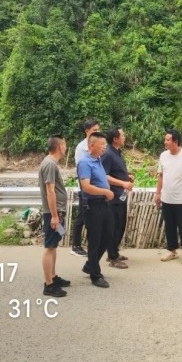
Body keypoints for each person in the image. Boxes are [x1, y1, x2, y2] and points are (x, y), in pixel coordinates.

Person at [77, 131, 114, 288]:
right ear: (92, 145)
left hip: (104, 204)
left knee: (108, 234)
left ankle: (90, 264)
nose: (104, 147)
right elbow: (86, 187)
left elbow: (102, 179)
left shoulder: (98, 160)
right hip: (93, 205)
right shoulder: (84, 162)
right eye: (102, 145)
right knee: (95, 240)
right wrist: (105, 192)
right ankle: (95, 275)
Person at [155, 129, 182, 265]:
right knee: (169, 226)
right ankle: (172, 251)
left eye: (168, 140)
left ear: (176, 141)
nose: (165, 142)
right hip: (166, 198)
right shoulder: (163, 156)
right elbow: (161, 175)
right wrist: (158, 193)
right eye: (165, 139)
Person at [39, 134, 72, 297]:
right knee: (50, 247)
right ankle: (48, 285)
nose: (66, 147)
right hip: (53, 212)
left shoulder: (50, 163)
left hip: (56, 211)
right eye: (64, 144)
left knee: (54, 245)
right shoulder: (50, 164)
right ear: (59, 146)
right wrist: (54, 216)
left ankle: (53, 276)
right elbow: (50, 191)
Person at [102, 127, 134, 269]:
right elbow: (104, 176)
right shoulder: (108, 154)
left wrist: (127, 177)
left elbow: (116, 172)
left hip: (121, 196)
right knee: (114, 227)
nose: (124, 137)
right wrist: (123, 183)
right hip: (113, 197)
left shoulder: (117, 152)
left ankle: (114, 252)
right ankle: (113, 257)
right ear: (115, 139)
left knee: (120, 225)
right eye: (122, 135)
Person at [71, 119, 100, 257]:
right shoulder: (81, 148)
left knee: (92, 217)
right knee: (82, 216)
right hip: (85, 187)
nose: (97, 132)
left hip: (96, 187)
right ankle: (75, 245)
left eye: (98, 130)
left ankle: (92, 245)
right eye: (94, 130)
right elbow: (81, 168)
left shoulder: (98, 145)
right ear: (87, 131)